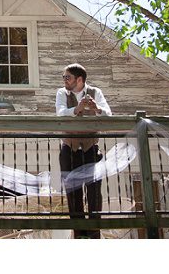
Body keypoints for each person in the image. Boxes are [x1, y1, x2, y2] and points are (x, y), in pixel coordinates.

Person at [55, 63, 112, 239]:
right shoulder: (62, 93)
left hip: (91, 149)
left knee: (94, 192)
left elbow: (108, 114)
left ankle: (94, 234)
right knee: (73, 193)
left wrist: (97, 109)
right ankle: (79, 235)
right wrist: (76, 109)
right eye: (64, 77)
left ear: (79, 79)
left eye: (67, 77)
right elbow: (60, 113)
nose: (64, 80)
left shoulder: (96, 92)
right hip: (69, 149)